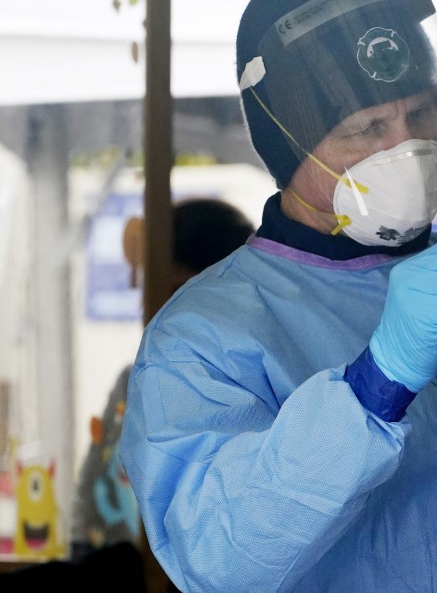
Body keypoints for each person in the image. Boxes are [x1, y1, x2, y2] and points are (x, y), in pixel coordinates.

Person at [119, 0, 437, 593]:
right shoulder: (204, 336)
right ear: (287, 144)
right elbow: (216, 557)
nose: (406, 147)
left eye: (420, 113)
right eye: (366, 129)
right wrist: (373, 386)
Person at [3, 197, 254, 592]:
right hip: (112, 565)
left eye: (174, 288)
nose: (151, 303)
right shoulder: (132, 379)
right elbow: (91, 483)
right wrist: (82, 545)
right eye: (149, 286)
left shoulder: (249, 388)